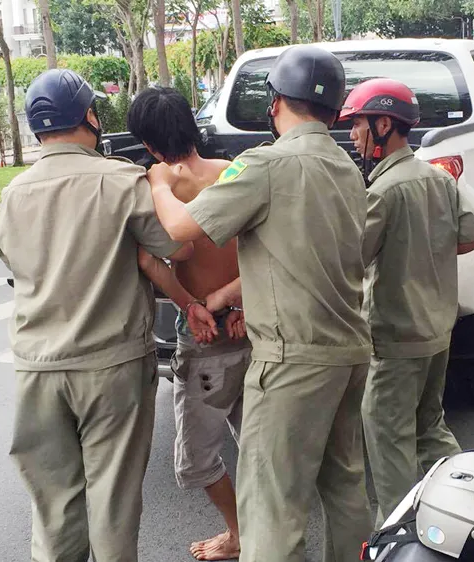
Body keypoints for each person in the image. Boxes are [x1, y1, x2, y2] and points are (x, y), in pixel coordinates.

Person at [147, 44, 373, 562]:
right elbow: (297, 254)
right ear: (336, 111)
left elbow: (181, 228)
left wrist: (159, 183)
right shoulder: (345, 167)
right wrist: (226, 293)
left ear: (275, 104)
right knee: (344, 486)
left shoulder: (263, 164)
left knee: (272, 501)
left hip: (293, 360)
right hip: (351, 351)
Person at [0, 69, 194, 562]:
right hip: (111, 365)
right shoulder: (122, 180)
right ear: (89, 116)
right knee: (112, 503)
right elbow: (175, 245)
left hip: (37, 369)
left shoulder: (15, 192)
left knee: (54, 505)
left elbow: (10, 257)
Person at [339, 78, 474, 526]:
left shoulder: (382, 191)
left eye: (359, 124)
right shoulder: (438, 177)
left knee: (388, 442)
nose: (353, 134)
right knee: (431, 429)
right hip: (438, 331)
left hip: (395, 339)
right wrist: (428, 251)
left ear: (384, 124)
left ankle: (403, 534)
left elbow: (351, 259)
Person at [128, 85, 249, 562]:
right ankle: (264, 527)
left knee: (195, 460)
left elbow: (154, 260)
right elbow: (259, 248)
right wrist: (242, 304)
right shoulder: (231, 173)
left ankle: (240, 534)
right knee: (256, 440)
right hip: (247, 326)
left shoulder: (158, 189)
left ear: (150, 145)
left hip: (204, 339)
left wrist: (187, 305)